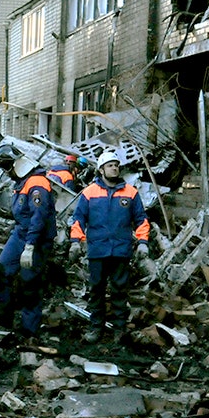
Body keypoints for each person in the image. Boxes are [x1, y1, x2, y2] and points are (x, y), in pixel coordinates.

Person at [69, 146, 151, 344]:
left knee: (119, 292)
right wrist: (75, 241)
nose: (114, 169)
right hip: (97, 250)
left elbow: (141, 220)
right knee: (96, 290)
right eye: (110, 166)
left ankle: (119, 330)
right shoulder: (89, 193)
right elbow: (78, 219)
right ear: (101, 170)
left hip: (121, 251)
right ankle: (95, 328)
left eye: (116, 165)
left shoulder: (130, 193)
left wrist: (142, 243)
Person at [0, 144, 55, 343]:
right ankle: (3, 317)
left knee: (29, 281)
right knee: (1, 269)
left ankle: (30, 329)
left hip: (36, 238)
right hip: (20, 234)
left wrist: (30, 245)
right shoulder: (22, 182)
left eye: (7, 168)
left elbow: (39, 216)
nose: (7, 173)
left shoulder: (37, 183)